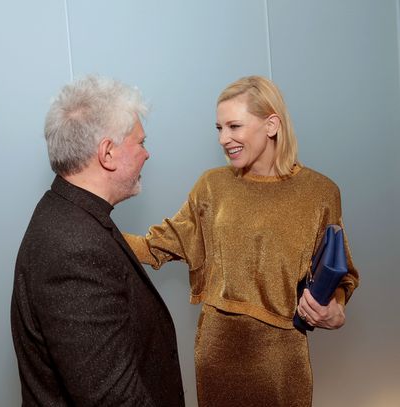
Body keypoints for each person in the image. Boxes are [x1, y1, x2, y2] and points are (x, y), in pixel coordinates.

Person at [124, 76, 359, 407]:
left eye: (234, 126)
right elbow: (155, 245)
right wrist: (91, 226)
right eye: (218, 128)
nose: (223, 139)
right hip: (216, 354)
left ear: (271, 125)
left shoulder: (321, 192)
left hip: (282, 360)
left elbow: (341, 273)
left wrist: (334, 311)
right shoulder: (212, 185)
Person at [11, 75, 185, 406]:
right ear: (107, 152)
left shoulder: (70, 214)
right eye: (140, 143)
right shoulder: (73, 249)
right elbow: (112, 399)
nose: (147, 155)